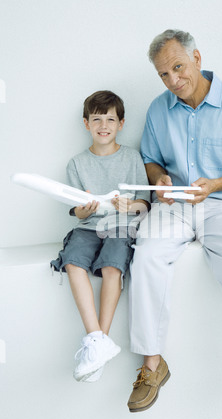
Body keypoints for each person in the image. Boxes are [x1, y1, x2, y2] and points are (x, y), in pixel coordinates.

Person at [127, 29, 222, 419]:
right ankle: (152, 365)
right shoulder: (159, 110)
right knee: (145, 256)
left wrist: (217, 184)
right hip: (174, 206)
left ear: (197, 58)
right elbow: (150, 158)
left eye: (178, 67)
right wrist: (159, 179)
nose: (173, 80)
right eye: (163, 74)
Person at [51, 90, 150, 383]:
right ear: (86, 124)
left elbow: (145, 204)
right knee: (73, 262)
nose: (103, 125)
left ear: (121, 123)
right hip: (87, 228)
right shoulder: (77, 164)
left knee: (112, 267)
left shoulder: (132, 158)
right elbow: (77, 212)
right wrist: (86, 210)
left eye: (110, 119)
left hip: (121, 228)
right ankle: (96, 338)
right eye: (96, 119)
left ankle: (98, 342)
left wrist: (129, 205)